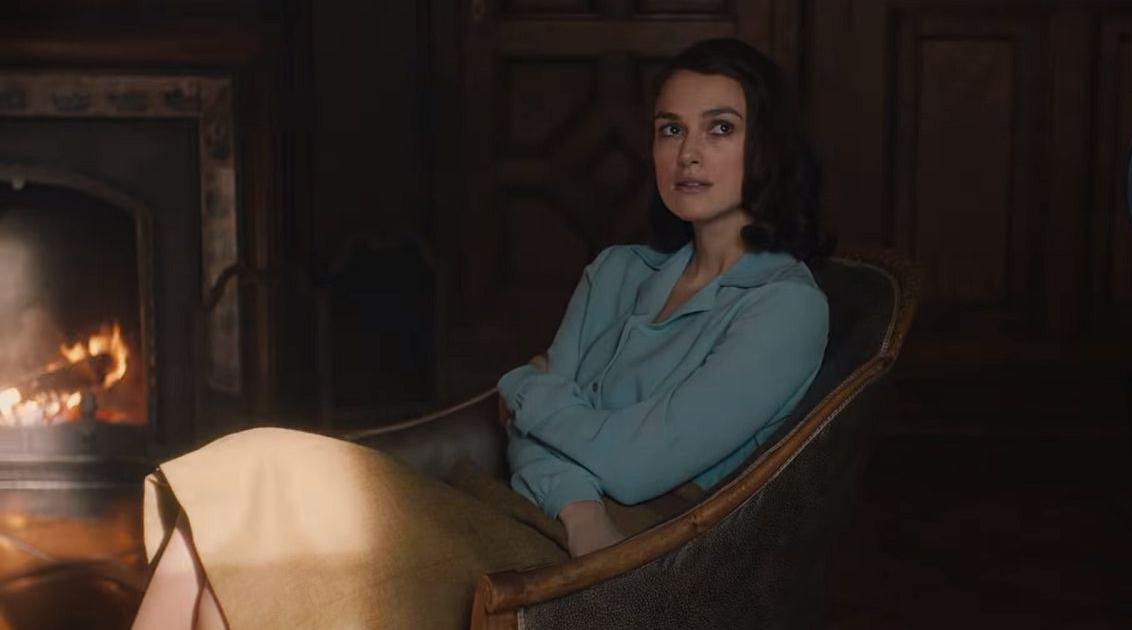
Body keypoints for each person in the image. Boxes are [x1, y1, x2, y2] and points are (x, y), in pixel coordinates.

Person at [131, 37, 831, 630]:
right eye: (670, 129)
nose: (687, 154)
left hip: (629, 561)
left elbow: (635, 465)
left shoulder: (785, 307)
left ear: (766, 147)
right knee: (230, 511)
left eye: (719, 128)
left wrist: (526, 387)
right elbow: (530, 437)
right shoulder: (618, 272)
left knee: (256, 492)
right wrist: (579, 506)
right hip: (534, 513)